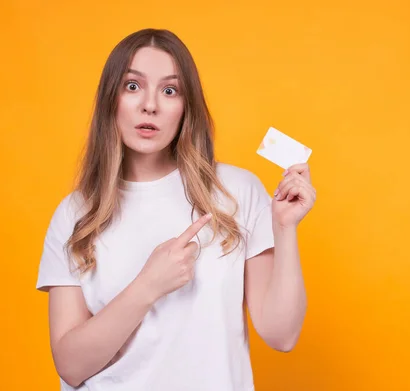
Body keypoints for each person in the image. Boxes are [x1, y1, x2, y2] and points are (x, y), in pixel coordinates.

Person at [35, 28, 316, 391]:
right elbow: (70, 366)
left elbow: (283, 334)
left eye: (169, 90)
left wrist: (285, 228)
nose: (150, 105)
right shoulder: (75, 214)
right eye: (132, 86)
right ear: (111, 99)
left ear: (186, 107)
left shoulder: (236, 192)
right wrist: (148, 285)